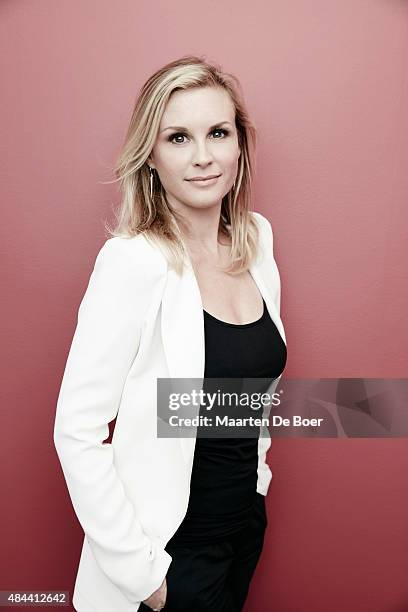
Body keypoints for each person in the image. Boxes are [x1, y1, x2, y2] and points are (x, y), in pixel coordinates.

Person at [53, 55, 287, 612]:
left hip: (243, 531)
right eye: (178, 137)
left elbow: (253, 391)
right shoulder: (132, 262)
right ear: (151, 157)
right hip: (169, 557)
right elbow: (77, 431)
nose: (203, 157)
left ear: (239, 147)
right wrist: (148, 579)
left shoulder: (257, 240)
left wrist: (258, 483)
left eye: (218, 133)